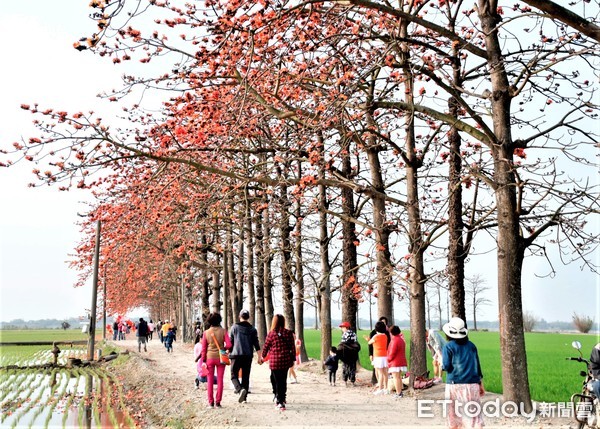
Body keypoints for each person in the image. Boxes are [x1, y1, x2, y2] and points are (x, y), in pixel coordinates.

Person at [442, 317, 484, 429]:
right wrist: (480, 384)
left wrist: (441, 365)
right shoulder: (472, 346)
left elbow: (446, 366)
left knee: (453, 415)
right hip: (473, 385)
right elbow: (477, 366)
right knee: (473, 417)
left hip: (454, 385)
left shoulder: (448, 347)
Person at [261, 314, 295, 411]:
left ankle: (279, 401)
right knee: (282, 381)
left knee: (275, 380)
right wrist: (292, 360)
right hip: (285, 361)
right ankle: (282, 399)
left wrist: (262, 357)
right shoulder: (288, 333)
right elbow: (292, 348)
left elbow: (266, 347)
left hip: (274, 361)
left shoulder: (271, 334)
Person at [229, 309, 262, 403]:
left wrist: (227, 351)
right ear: (248, 317)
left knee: (233, 374)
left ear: (240, 316)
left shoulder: (234, 327)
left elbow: (231, 342)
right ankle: (244, 398)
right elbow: (256, 344)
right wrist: (259, 357)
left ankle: (239, 390)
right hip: (248, 355)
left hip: (236, 354)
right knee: (245, 376)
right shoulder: (253, 329)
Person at [201, 312, 232, 408]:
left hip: (209, 358)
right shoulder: (223, 331)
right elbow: (229, 345)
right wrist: (224, 349)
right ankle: (218, 402)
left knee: (210, 380)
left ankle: (210, 402)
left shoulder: (206, 333)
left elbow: (203, 349)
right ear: (219, 320)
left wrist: (203, 360)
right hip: (220, 358)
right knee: (220, 380)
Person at [367, 320, 389, 395]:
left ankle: (380, 389)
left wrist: (368, 339)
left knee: (380, 373)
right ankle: (386, 389)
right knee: (385, 373)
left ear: (376, 329)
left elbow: (369, 342)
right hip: (384, 356)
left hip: (378, 356)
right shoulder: (385, 336)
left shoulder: (376, 336)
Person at [337, 321, 360, 387]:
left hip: (346, 353)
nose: (341, 328)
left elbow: (343, 343)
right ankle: (352, 382)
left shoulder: (345, 334)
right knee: (352, 368)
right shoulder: (354, 333)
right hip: (353, 353)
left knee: (345, 367)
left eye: (342, 327)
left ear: (346, 327)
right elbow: (356, 342)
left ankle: (345, 382)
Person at [387, 325, 407, 398]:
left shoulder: (394, 340)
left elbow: (392, 352)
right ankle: (400, 392)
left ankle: (398, 393)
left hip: (395, 362)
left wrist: (388, 359)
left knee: (396, 377)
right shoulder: (401, 339)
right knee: (398, 377)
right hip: (401, 361)